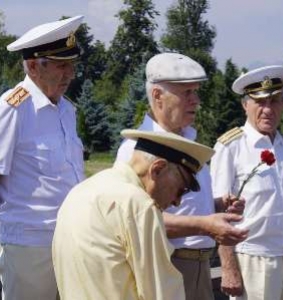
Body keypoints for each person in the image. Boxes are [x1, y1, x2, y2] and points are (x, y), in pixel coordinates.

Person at [115, 52, 248, 300]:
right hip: (166, 266)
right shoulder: (137, 151)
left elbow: (183, 207)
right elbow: (134, 221)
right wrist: (205, 225)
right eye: (187, 93)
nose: (196, 101)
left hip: (199, 266)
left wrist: (218, 206)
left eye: (196, 92)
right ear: (157, 96)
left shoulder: (187, 140)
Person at [53, 129, 215, 299]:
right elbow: (162, 292)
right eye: (181, 190)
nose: (177, 201)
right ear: (158, 169)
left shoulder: (82, 190)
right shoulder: (138, 204)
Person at [210, 65, 283, 300]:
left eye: (275, 100)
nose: (268, 109)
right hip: (253, 261)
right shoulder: (230, 147)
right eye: (260, 102)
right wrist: (228, 267)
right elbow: (219, 216)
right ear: (245, 104)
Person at [0, 16, 85, 300]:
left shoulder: (66, 111)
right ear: (34, 66)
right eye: (62, 65)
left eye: (72, 65)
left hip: (72, 242)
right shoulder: (13, 109)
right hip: (29, 247)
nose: (70, 74)